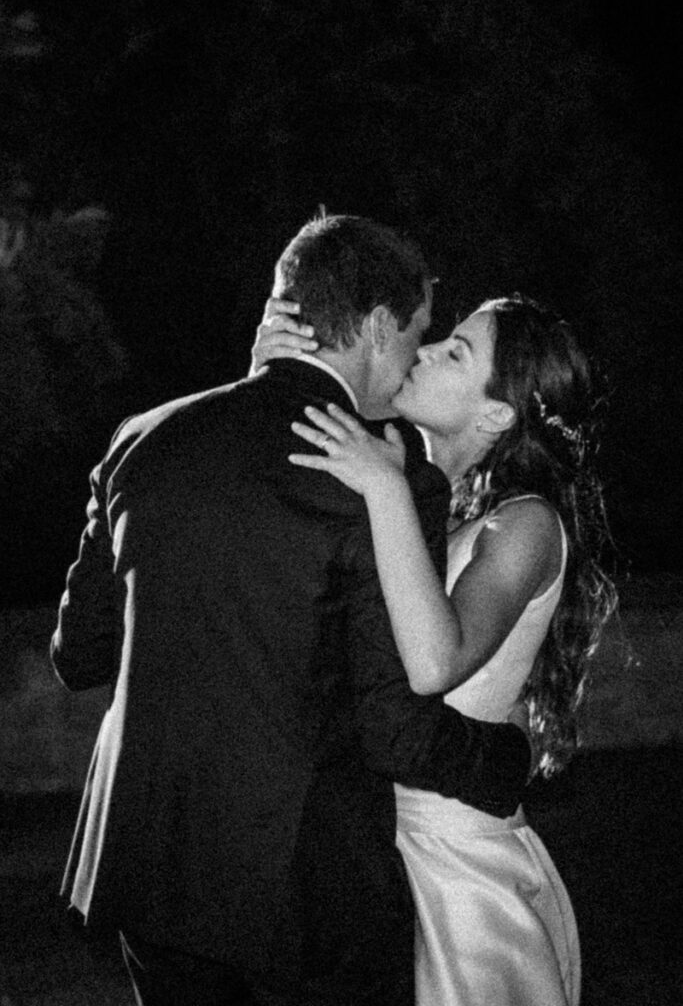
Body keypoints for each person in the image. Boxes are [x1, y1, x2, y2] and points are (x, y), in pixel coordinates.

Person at [50, 215, 531, 1006]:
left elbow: (79, 656)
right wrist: (509, 761)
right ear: (378, 326)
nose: (414, 359)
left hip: (148, 871)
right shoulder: (385, 476)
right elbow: (395, 728)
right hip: (303, 892)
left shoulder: (145, 439)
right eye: (417, 335)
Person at [255, 293, 617, 1005]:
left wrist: (384, 490)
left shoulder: (524, 526)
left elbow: (432, 664)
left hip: (458, 864)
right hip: (367, 843)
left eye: (455, 352)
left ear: (494, 415)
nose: (421, 352)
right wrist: (276, 369)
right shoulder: (412, 492)